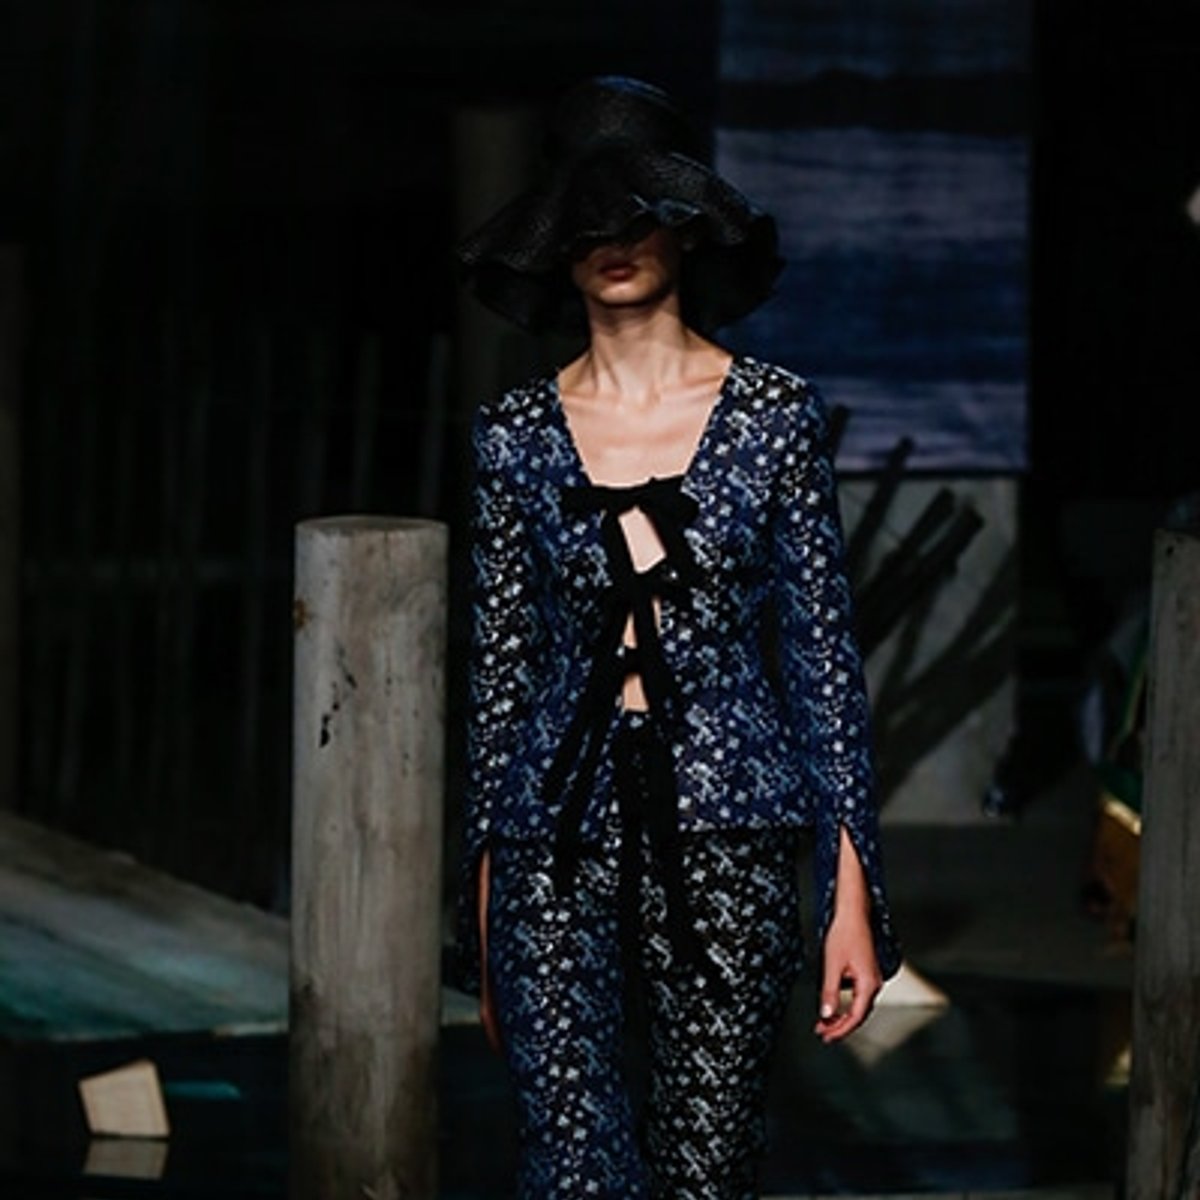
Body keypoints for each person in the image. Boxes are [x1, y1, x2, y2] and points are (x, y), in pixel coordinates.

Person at [454, 75, 900, 1200]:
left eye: (637, 211)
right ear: (553, 243)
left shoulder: (774, 418)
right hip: (550, 842)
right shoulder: (513, 437)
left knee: (707, 1166)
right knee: (569, 1167)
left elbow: (823, 666)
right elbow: (499, 685)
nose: (612, 242)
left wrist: (849, 899)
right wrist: (482, 914)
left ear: (687, 225)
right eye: (585, 220)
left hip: (730, 829)